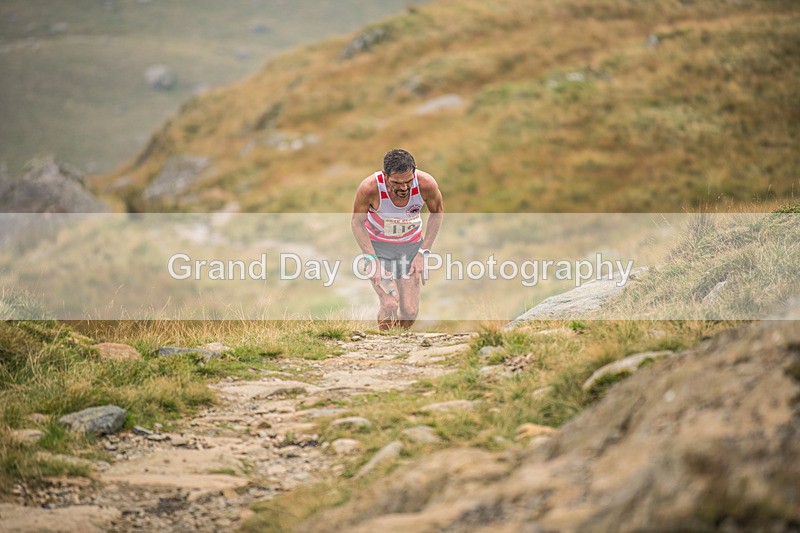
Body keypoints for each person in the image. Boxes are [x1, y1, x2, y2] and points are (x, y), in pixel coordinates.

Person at [351, 149, 444, 330]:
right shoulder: (370, 188)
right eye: (396, 182)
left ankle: (398, 344)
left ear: (414, 173)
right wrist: (371, 259)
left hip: (410, 248)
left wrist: (423, 253)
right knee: (390, 304)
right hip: (379, 249)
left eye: (408, 181)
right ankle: (385, 347)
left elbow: (437, 213)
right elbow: (356, 222)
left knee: (409, 311)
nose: (403, 188)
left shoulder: (426, 184)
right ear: (385, 175)